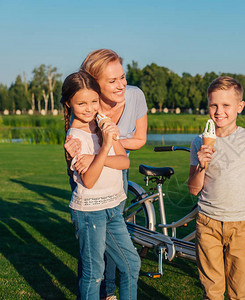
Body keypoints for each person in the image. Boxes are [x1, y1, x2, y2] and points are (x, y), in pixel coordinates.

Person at [64, 49, 148, 300]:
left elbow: (124, 159)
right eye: (112, 81)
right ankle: (102, 293)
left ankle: (108, 293)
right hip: (91, 205)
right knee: (93, 268)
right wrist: (93, 154)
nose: (122, 85)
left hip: (112, 198)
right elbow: (87, 179)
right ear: (93, 84)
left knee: (129, 263)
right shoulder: (77, 130)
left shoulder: (112, 113)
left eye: (122, 77)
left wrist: (110, 140)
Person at [188, 76, 245, 300]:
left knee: (238, 291)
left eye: (226, 105)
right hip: (208, 223)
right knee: (212, 290)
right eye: (213, 105)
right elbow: (193, 189)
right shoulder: (199, 142)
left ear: (240, 107)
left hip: (241, 225)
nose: (219, 111)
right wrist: (202, 165)